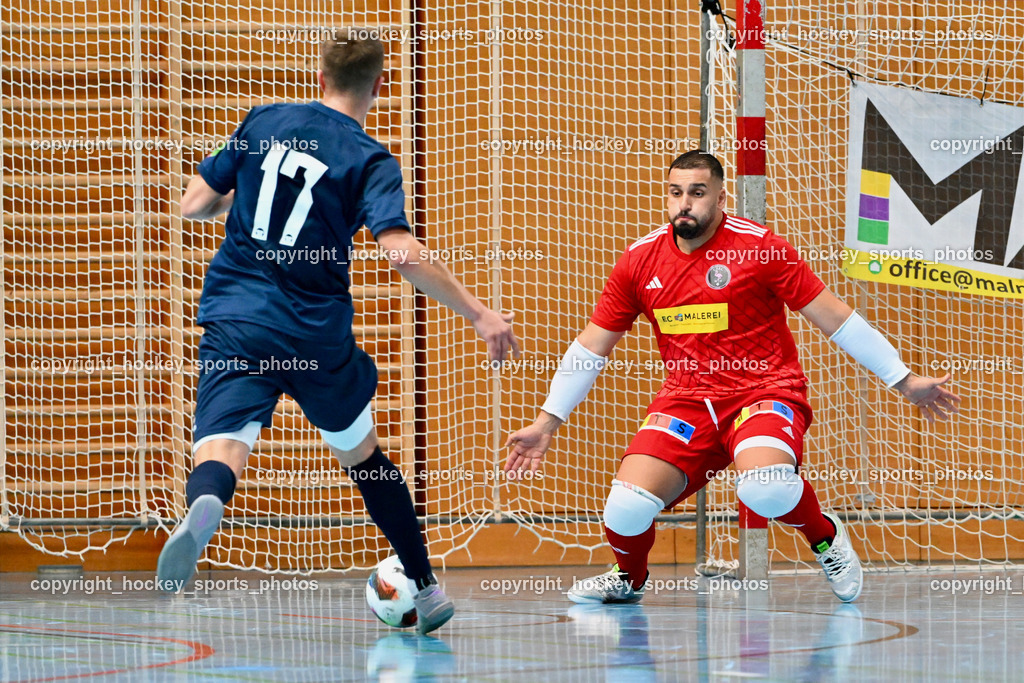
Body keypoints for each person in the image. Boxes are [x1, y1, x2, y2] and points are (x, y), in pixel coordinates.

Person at [157, 30, 519, 635]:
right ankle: (426, 587)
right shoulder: (369, 159)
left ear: (320, 76)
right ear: (380, 84)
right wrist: (479, 313)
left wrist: (242, 201)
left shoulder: (264, 119)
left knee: (222, 445)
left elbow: (194, 203)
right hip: (313, 333)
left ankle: (209, 499)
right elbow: (401, 253)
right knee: (363, 457)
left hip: (236, 317)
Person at [504, 150, 959, 603]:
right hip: (686, 401)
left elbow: (836, 319)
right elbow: (590, 348)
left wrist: (904, 380)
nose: (684, 203)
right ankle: (629, 577)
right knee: (625, 507)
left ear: (721, 198)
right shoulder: (640, 260)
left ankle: (825, 538)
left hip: (764, 391)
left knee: (766, 487)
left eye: (697, 192)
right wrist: (546, 423)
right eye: (675, 192)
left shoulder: (762, 248)